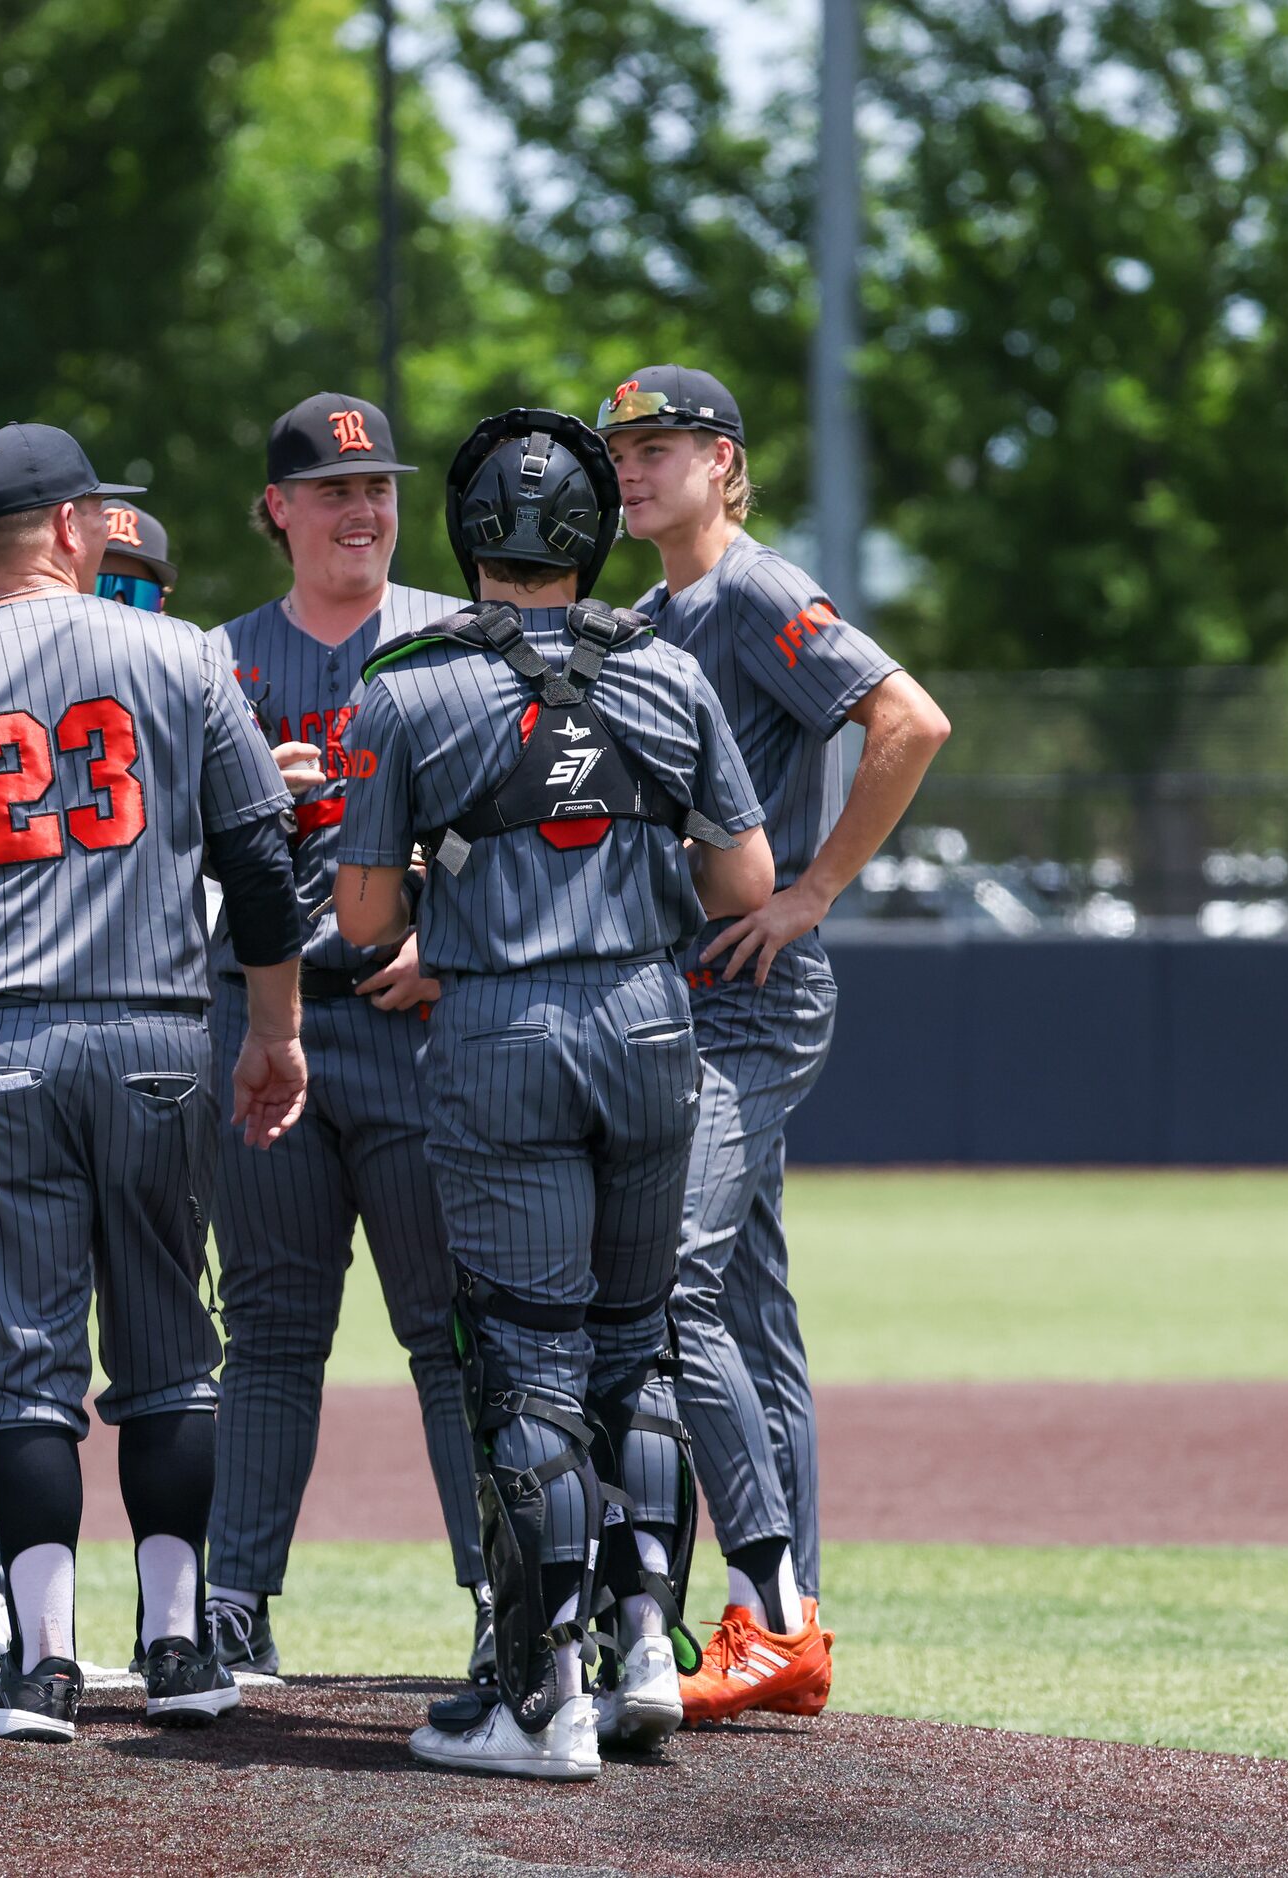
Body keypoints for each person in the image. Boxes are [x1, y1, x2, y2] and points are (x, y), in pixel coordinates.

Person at [0, 422, 308, 1743]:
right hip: (152, 1035)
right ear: (74, 527)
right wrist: (275, 1031)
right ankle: (182, 1648)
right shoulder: (184, 658)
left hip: (0, 1047)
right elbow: (258, 862)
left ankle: (38, 1667)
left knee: (22, 1366)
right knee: (168, 1352)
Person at [333, 410, 774, 1778]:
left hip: (502, 1032)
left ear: (468, 529)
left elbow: (360, 921)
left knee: (525, 1362)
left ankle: (539, 1699)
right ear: (593, 532)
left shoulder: (403, 686)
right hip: (650, 1025)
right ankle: (647, 1647)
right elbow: (745, 884)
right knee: (632, 1351)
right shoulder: (670, 673)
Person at [599, 365, 952, 1723]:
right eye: (624, 446)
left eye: (664, 444)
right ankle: (778, 1618)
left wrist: (811, 892)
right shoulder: (648, 611)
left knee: (673, 1283)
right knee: (748, 1306)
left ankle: (772, 1614)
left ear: (725, 462)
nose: (636, 466)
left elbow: (908, 719)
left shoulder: (748, 590)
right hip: (685, 987)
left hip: (751, 991)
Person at [201, 393, 480, 1679]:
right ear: (280, 508)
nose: (363, 510)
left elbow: (523, 817)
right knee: (268, 1328)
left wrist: (455, 935)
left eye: (378, 489)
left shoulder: (457, 637)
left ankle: (506, 1598)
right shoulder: (213, 661)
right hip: (267, 1029)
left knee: (449, 1324)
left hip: (419, 1020)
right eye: (333, 489)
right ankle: (233, 1602)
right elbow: (152, 853)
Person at [0, 491, 185, 1671]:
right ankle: (2, 1592)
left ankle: (51, 1646)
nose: (116, 600)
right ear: (69, 543)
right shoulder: (179, 675)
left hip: (28, 1036)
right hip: (111, 1034)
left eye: (142, 587)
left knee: (44, 1336)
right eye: (109, 574)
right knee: (22, 1328)